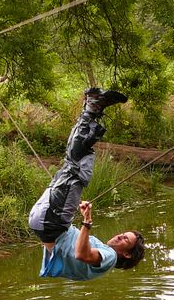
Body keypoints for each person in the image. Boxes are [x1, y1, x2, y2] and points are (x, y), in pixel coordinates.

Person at [28, 88, 145, 281]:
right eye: (123, 234)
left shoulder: (108, 257)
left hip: (51, 223)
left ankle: (91, 108)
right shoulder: (101, 259)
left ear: (127, 254)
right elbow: (73, 251)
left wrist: (87, 222)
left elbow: (81, 254)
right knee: (73, 162)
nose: (119, 236)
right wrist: (78, 211)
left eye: (125, 239)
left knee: (76, 166)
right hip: (45, 223)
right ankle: (90, 109)